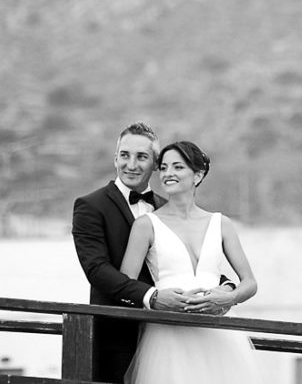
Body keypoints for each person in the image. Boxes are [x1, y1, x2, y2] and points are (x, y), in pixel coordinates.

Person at [71, 122, 234, 383]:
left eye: (142, 157)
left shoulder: (164, 207)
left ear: (156, 164)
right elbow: (97, 270)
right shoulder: (90, 206)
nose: (131, 164)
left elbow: (189, 262)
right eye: (124, 155)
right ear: (115, 159)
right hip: (119, 335)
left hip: (175, 335)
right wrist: (152, 297)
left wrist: (226, 288)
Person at [119, 140, 260, 384]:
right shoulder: (146, 225)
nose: (168, 173)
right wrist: (157, 299)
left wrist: (228, 297)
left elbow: (249, 282)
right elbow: (125, 285)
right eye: (163, 167)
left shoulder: (221, 223)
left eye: (178, 167)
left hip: (220, 335)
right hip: (168, 335)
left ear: (197, 175)